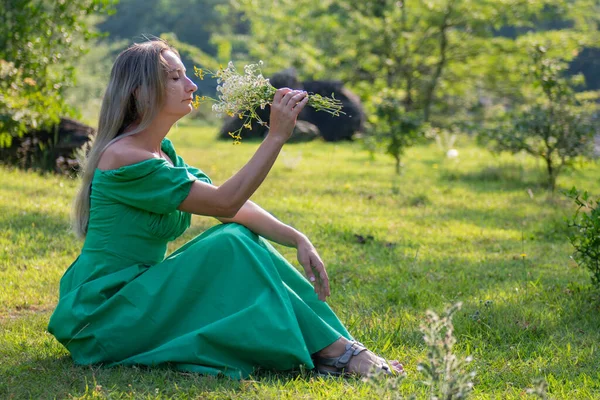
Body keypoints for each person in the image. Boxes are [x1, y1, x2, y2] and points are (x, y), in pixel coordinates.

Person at [47, 39, 404, 379]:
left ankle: (341, 348)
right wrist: (276, 136)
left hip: (141, 296)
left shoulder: (162, 153)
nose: (190, 85)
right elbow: (225, 202)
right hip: (105, 313)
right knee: (231, 242)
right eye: (174, 77)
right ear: (140, 93)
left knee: (240, 238)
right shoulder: (124, 157)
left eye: (185, 74)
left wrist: (297, 238)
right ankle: (340, 354)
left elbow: (229, 207)